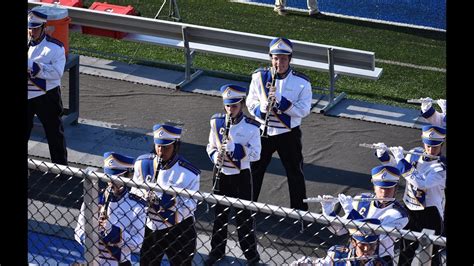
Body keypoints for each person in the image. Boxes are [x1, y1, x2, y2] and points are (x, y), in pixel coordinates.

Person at [246, 37, 313, 211]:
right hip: (263, 130)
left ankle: (300, 212)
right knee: (255, 169)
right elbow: (250, 101)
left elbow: (304, 110)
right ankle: (247, 206)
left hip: (288, 133)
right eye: (275, 58)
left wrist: (283, 104)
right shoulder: (259, 76)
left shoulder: (302, 82)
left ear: (289, 59)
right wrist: (261, 110)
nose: (279, 63)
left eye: (283, 58)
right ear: (271, 58)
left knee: (295, 173)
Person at [205, 84, 261, 265]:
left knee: (244, 218)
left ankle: (251, 255)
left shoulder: (252, 127)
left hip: (241, 177)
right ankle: (216, 251)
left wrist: (235, 148)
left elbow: (256, 154)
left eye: (234, 106)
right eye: (227, 106)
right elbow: (210, 146)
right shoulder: (216, 122)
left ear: (242, 105)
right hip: (221, 173)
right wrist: (216, 156)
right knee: (219, 216)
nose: (230, 110)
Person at [374, 125, 446, 266]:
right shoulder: (414, 153)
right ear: (423, 141)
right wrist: (383, 155)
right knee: (405, 250)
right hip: (410, 208)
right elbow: (396, 167)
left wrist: (401, 159)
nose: (431, 150)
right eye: (428, 145)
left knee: (432, 251)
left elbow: (420, 183)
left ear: (442, 145)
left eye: (435, 146)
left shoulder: (441, 168)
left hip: (431, 213)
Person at [133, 123, 200, 266]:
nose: (160, 151)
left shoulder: (189, 173)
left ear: (176, 146)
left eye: (165, 147)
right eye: (158, 146)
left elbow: (190, 206)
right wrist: (143, 197)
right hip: (151, 226)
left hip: (178, 228)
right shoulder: (142, 163)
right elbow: (134, 190)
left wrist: (161, 202)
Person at [319, 165, 409, 265]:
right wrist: (329, 213)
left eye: (388, 188)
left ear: (396, 188)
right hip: (355, 256)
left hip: (380, 260)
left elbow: (372, 234)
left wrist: (351, 212)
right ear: (374, 187)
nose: (384, 192)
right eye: (381, 187)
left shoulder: (399, 214)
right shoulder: (360, 201)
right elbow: (340, 231)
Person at [74, 152, 147, 266]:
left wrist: (112, 231)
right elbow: (78, 231)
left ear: (127, 177)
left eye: (116, 178)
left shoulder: (137, 205)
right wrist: (91, 236)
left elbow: (137, 245)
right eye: (108, 178)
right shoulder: (93, 198)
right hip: (93, 260)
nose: (110, 183)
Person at [27, 10, 68, 165]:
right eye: (30, 28)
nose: (32, 32)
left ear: (43, 27)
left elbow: (57, 73)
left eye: (36, 28)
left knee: (54, 133)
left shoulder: (55, 48)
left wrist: (32, 66)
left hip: (46, 96)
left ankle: (62, 169)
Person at [291, 218, 386, 266]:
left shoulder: (382, 263)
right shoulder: (338, 254)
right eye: (362, 245)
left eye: (372, 245)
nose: (367, 249)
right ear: (353, 242)